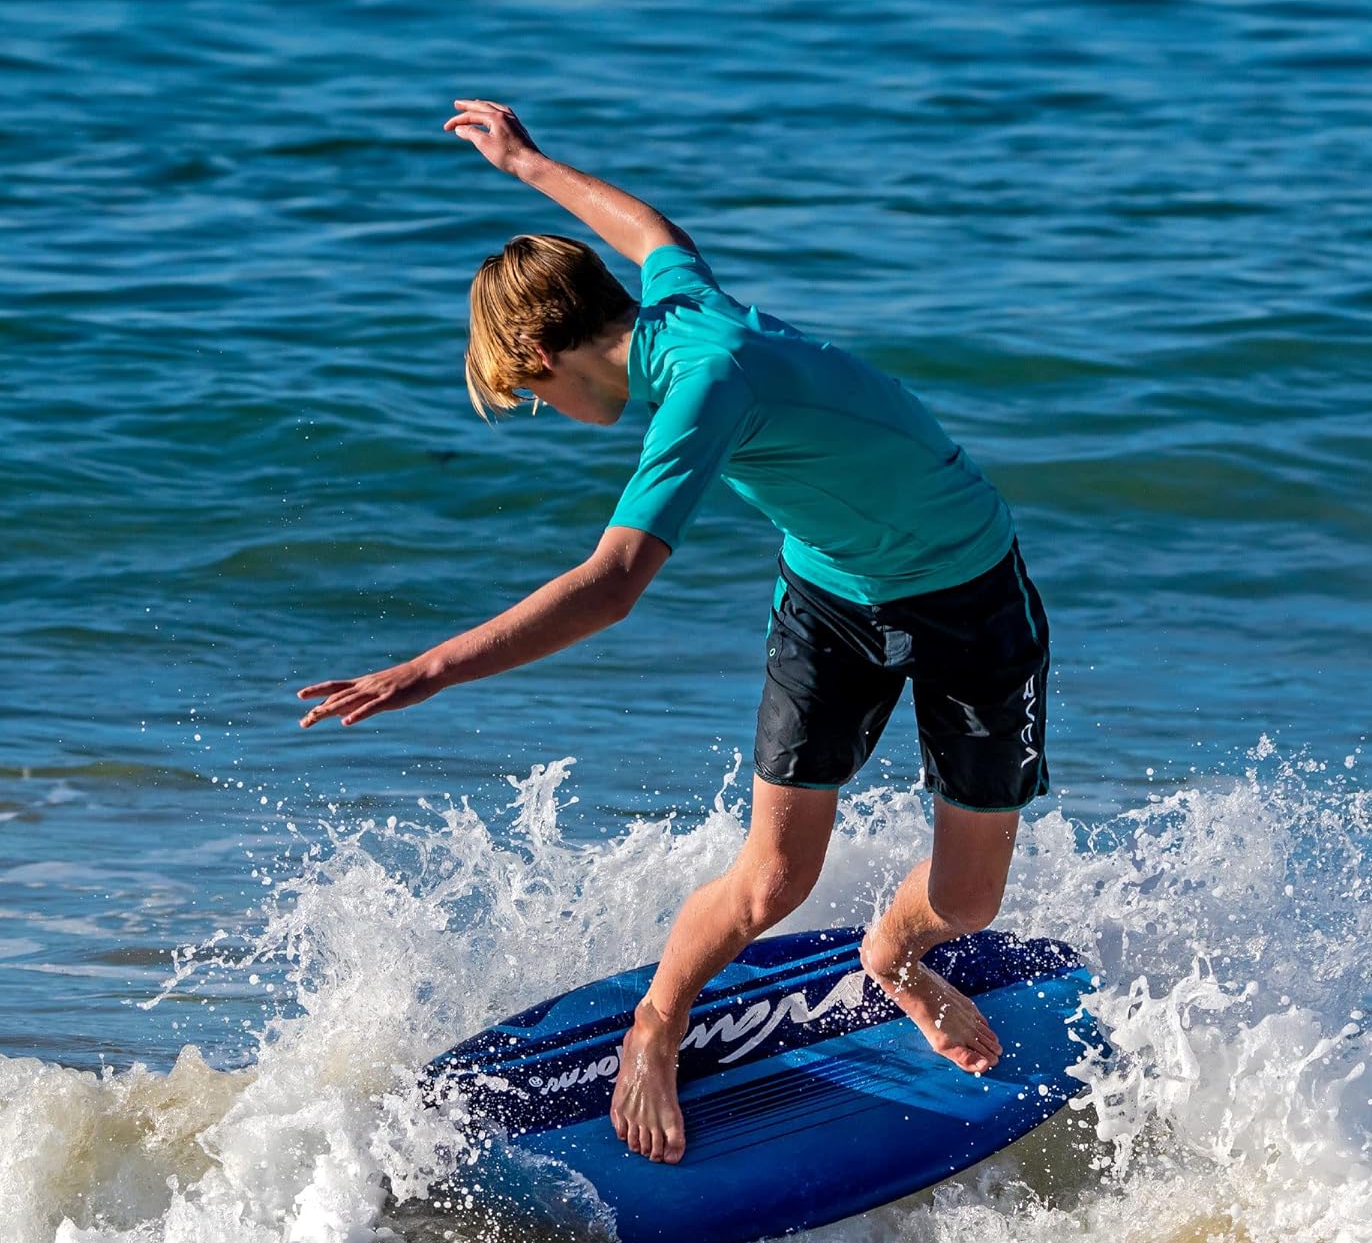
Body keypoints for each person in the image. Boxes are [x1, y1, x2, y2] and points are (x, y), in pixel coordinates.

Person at [298, 99, 1051, 1167]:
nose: (543, 409)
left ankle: (895, 952)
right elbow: (646, 228)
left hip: (970, 589)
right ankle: (658, 1021)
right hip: (833, 593)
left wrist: (430, 669)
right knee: (771, 882)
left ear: (536, 345)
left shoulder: (703, 381)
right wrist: (526, 163)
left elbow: (612, 586)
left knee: (967, 901)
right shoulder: (674, 306)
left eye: (528, 390)